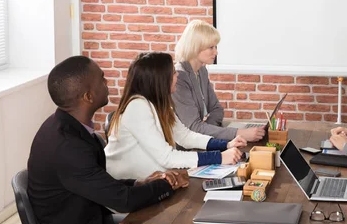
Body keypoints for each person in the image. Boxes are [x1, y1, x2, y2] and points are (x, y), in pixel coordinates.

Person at [27, 56, 187, 224]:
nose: (107, 82)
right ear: (88, 96)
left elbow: (98, 182)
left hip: (91, 221)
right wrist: (169, 184)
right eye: (102, 79)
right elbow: (124, 201)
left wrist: (139, 183)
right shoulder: (68, 148)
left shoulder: (65, 125)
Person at [105, 52, 246, 181]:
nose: (177, 76)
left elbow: (185, 136)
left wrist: (226, 144)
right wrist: (219, 157)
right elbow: (167, 157)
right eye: (173, 73)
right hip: (129, 192)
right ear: (159, 79)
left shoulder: (159, 104)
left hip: (155, 182)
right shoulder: (137, 107)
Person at [173, 20, 265, 142]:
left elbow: (216, 109)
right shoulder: (179, 77)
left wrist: (207, 129)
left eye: (215, 47)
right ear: (195, 47)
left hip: (200, 141)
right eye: (211, 47)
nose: (216, 52)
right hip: (183, 149)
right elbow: (193, 127)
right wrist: (238, 133)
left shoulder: (201, 70)